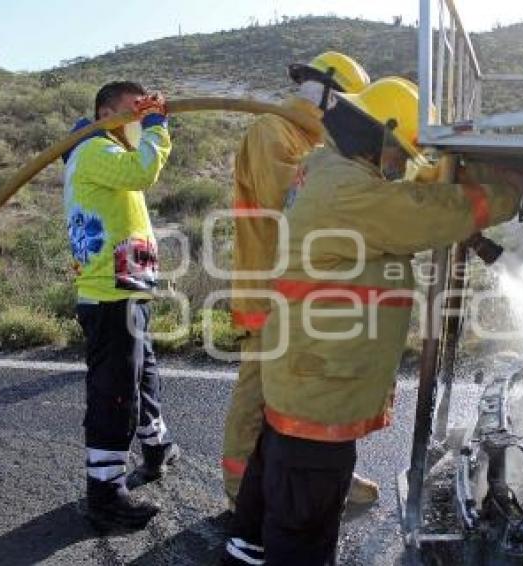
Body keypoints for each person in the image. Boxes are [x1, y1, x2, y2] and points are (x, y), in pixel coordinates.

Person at [223, 77, 523, 566]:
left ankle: (245, 551)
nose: (399, 165)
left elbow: (401, 198)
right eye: (399, 153)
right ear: (378, 135)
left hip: (303, 374)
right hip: (319, 390)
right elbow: (423, 213)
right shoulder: (348, 191)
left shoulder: (324, 168)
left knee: (276, 482)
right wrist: (508, 191)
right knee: (305, 523)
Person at [222, 52, 380, 510]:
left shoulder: (318, 141)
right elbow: (291, 201)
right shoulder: (271, 130)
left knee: (314, 391)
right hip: (270, 291)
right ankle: (241, 487)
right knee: (259, 390)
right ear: (332, 96)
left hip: (308, 289)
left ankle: (326, 476)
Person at [62, 81, 180, 530]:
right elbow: (146, 169)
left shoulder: (105, 151)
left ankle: (155, 445)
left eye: (146, 107)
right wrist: (156, 124)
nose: (142, 114)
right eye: (135, 108)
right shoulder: (94, 149)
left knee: (141, 373)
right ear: (107, 112)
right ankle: (106, 491)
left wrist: (147, 122)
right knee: (115, 392)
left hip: (126, 286)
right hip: (110, 293)